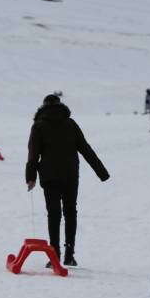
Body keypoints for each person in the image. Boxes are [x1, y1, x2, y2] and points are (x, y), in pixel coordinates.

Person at [25, 94, 109, 267]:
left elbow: (33, 154)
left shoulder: (39, 126)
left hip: (49, 177)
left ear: (43, 107)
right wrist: (102, 172)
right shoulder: (70, 124)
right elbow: (86, 149)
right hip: (70, 176)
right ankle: (69, 254)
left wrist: (30, 177)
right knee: (70, 213)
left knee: (53, 215)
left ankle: (54, 254)